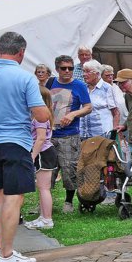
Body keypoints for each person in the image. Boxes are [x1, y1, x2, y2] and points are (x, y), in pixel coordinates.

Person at [0, 32, 50, 262]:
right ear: (21, 52)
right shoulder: (24, 78)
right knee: (14, 197)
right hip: (15, 141)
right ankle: (6, 254)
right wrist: (47, 109)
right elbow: (41, 115)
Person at [48, 54, 93, 213]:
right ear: (57, 69)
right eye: (63, 68)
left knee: (69, 169)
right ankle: (45, 202)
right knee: (48, 171)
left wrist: (73, 114)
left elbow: (88, 107)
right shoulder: (49, 83)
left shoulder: (79, 85)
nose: (67, 71)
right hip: (49, 135)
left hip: (69, 135)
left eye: (70, 68)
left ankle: (68, 201)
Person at [25, 86, 58, 230]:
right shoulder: (40, 115)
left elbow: (41, 138)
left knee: (44, 187)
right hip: (43, 152)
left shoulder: (40, 117)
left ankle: (47, 219)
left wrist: (32, 156)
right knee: (42, 186)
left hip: (43, 153)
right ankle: (43, 216)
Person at [79, 60, 120, 139]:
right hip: (84, 134)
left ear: (97, 74)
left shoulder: (107, 88)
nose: (84, 74)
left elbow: (116, 113)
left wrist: (114, 134)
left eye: (87, 72)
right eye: (83, 71)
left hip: (102, 135)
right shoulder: (83, 88)